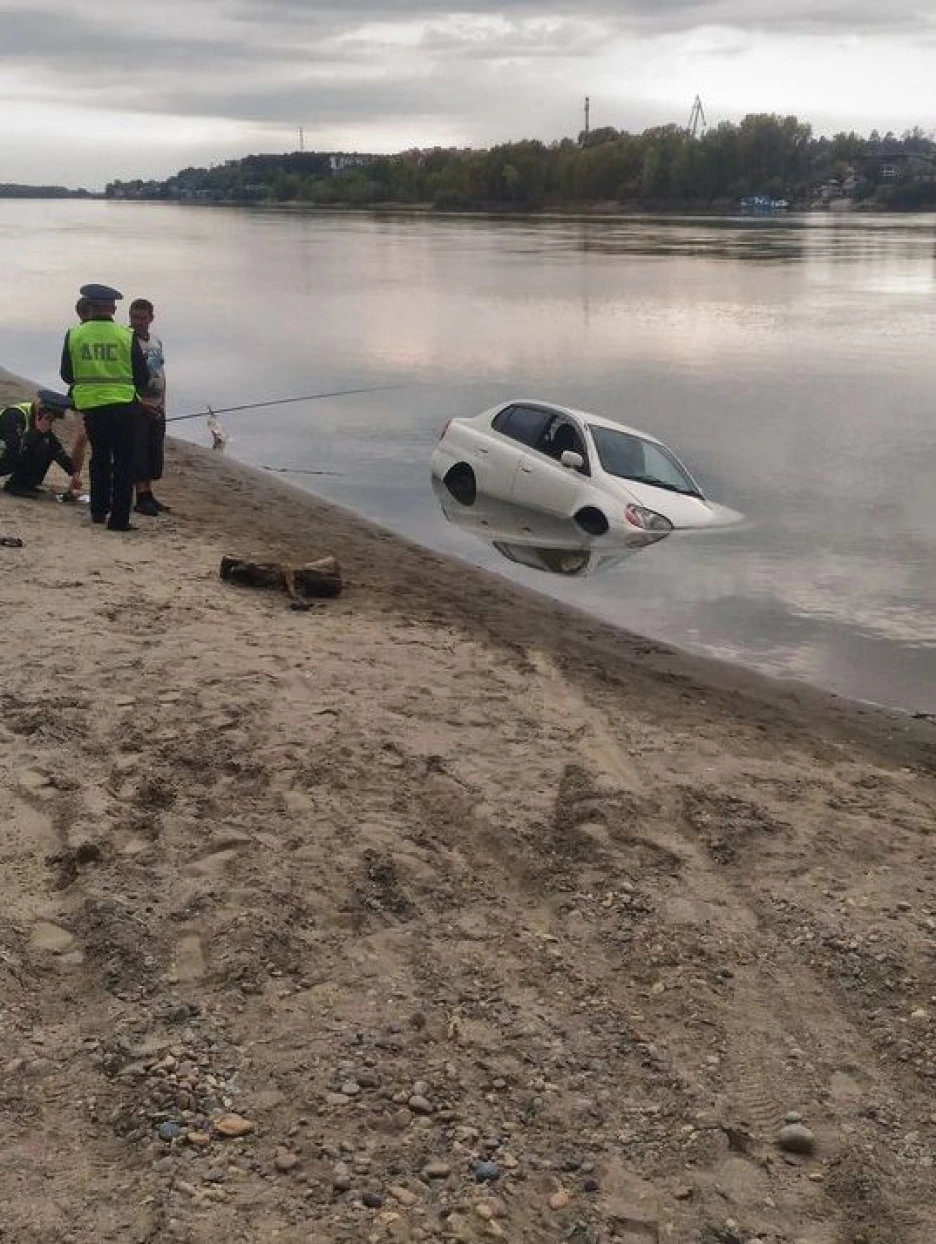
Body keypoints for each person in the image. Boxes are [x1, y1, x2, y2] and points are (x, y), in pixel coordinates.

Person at [60, 283, 149, 531]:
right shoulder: (125, 334)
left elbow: (66, 375)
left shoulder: (74, 334)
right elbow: (142, 376)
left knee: (99, 457)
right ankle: (119, 520)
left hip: (92, 406)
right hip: (123, 405)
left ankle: (98, 511)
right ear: (112, 308)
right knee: (124, 462)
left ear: (88, 306)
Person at [0, 389, 81, 496]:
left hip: (6, 457)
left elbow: (55, 448)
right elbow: (15, 448)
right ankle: (16, 485)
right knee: (39, 445)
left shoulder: (37, 419)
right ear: (43, 412)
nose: (51, 422)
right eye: (50, 419)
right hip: (5, 457)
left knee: (46, 444)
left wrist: (73, 472)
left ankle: (28, 484)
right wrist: (38, 432)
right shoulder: (14, 415)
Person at [129, 298, 168, 517]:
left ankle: (149, 493)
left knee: (154, 450)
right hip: (138, 404)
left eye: (143, 318)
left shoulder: (156, 341)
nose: (139, 322)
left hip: (157, 402)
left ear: (151, 318)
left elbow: (161, 372)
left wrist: (164, 401)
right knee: (139, 450)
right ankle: (141, 495)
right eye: (135, 318)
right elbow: (124, 376)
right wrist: (138, 402)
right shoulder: (127, 341)